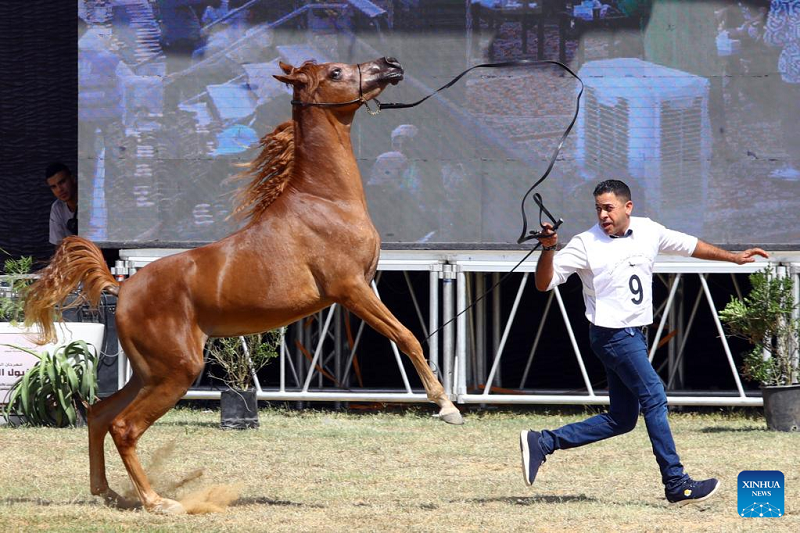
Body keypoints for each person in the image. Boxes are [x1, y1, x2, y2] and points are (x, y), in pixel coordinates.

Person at [519, 179, 769, 505]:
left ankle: (543, 442)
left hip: (635, 334)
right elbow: (544, 283)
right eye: (598, 209)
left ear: (628, 207)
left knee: (622, 419)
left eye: (608, 208)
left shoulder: (648, 230)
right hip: (612, 336)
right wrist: (549, 247)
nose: (603, 215)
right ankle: (676, 483)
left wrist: (733, 258)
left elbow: (689, 245)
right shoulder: (585, 243)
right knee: (655, 396)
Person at [46, 163, 79, 246]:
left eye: (62, 182)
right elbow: (59, 247)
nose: (59, 189)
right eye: (54, 187)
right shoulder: (57, 208)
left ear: (73, 179)